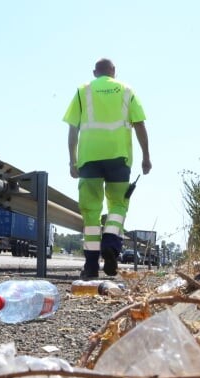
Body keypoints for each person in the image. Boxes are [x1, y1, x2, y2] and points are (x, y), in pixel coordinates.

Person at [63, 58, 151, 279]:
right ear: (114, 72)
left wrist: (72, 161)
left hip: (89, 159)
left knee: (91, 212)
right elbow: (140, 124)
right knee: (118, 205)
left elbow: (73, 130)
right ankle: (111, 242)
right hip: (118, 158)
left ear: (95, 73)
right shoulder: (127, 90)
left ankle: (91, 266)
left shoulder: (83, 91)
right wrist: (146, 157)